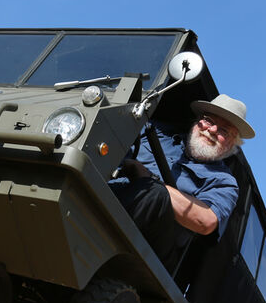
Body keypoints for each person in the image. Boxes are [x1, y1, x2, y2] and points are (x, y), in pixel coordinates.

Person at [109, 93, 256, 265]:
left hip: (150, 248)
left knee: (156, 194)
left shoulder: (224, 183)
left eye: (224, 130)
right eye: (209, 120)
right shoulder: (151, 130)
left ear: (232, 144)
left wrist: (147, 178)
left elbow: (206, 220)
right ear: (197, 121)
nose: (212, 130)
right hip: (107, 192)